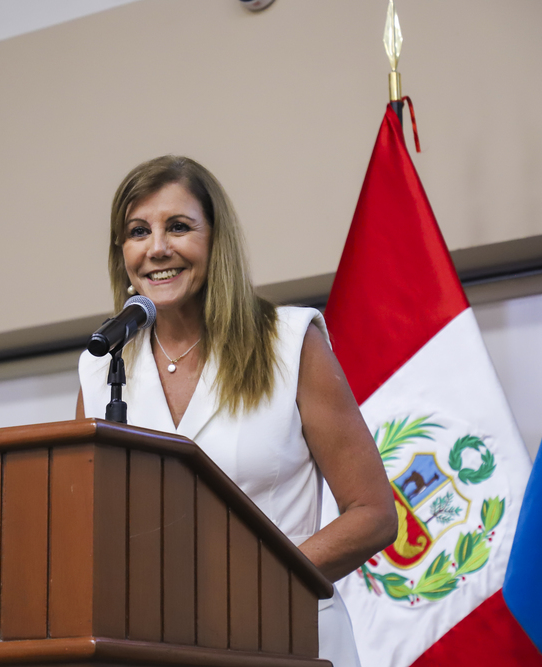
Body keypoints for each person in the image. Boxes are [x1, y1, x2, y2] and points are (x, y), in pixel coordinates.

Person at [76, 155, 397, 666]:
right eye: (138, 232)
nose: (157, 248)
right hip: (154, 648)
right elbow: (83, 528)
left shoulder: (288, 342)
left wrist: (252, 586)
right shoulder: (100, 368)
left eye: (178, 227)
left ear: (215, 239)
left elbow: (373, 514)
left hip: (284, 637)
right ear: (122, 253)